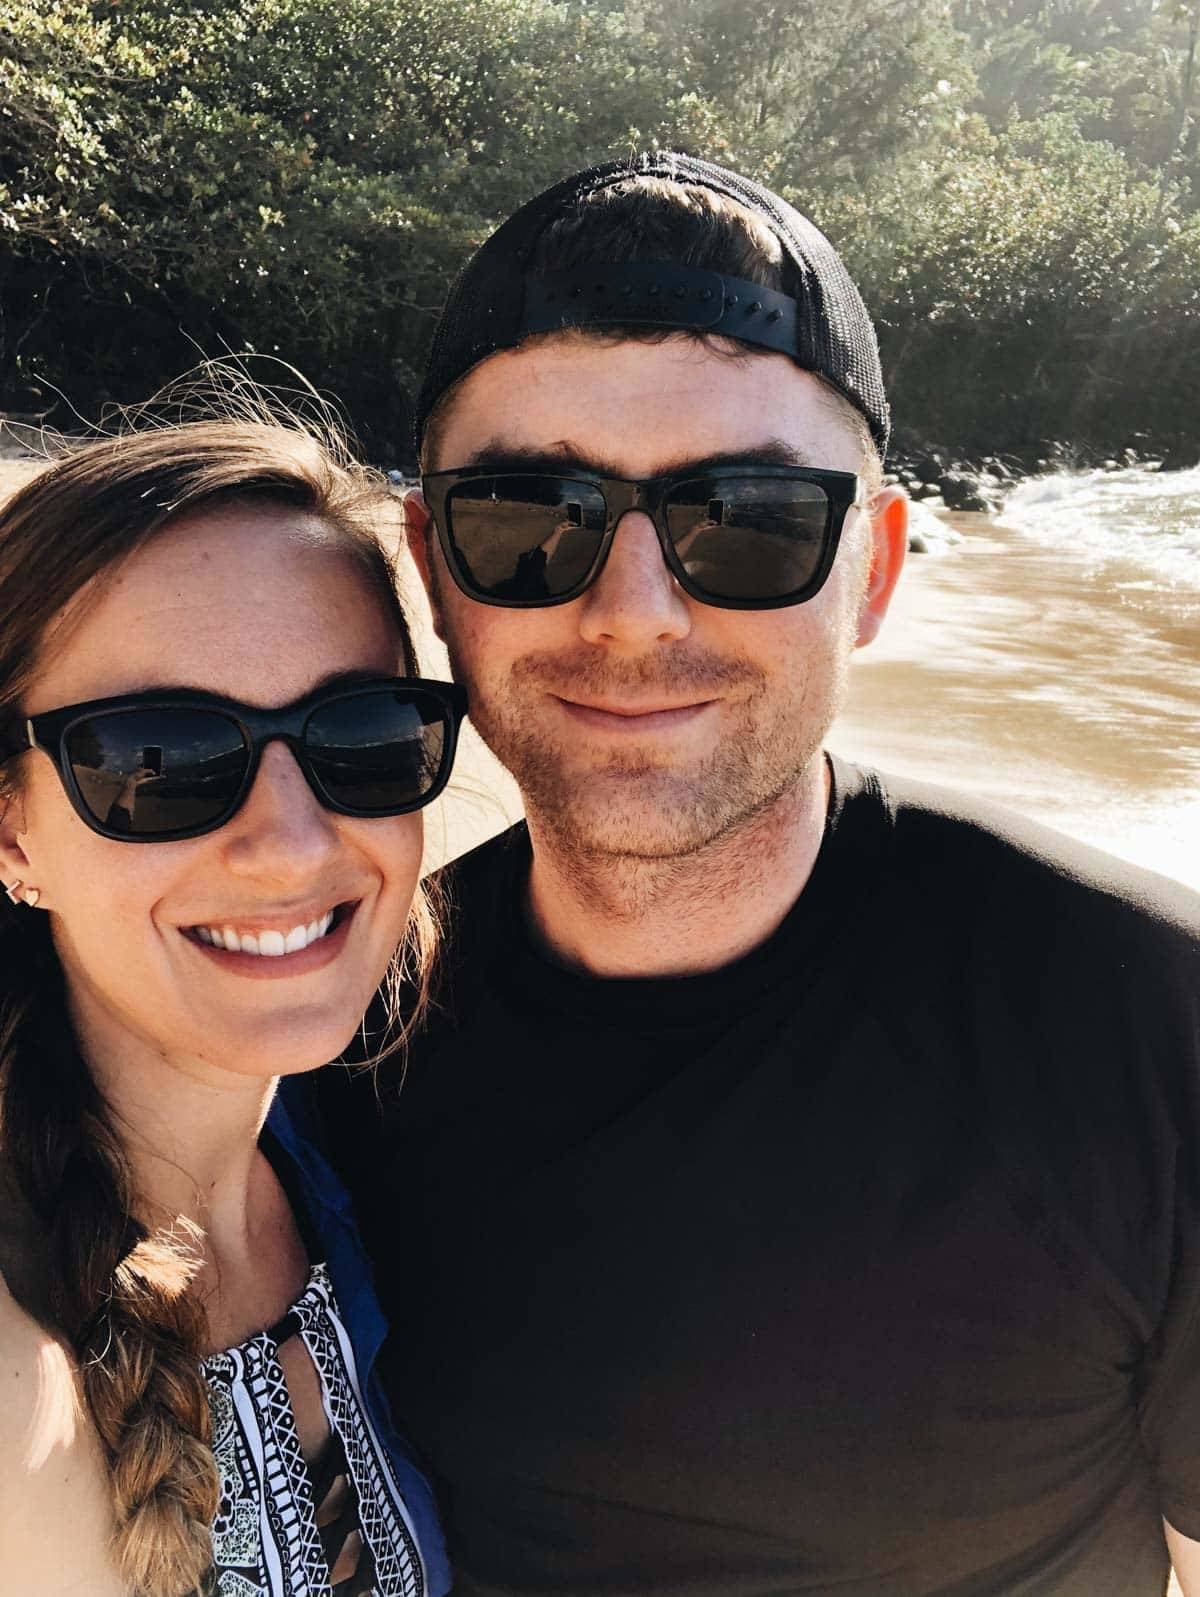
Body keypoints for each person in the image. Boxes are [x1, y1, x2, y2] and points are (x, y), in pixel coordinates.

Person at [307, 153, 1200, 1595]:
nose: (634, 613)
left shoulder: (1150, 1026)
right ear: (428, 563)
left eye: (753, 521)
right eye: (529, 519)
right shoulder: (324, 1034)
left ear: (879, 571)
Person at [0, 416, 464, 1596]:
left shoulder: (342, 1162)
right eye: (158, 757)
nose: (287, 846)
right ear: (13, 827)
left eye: (359, 737)